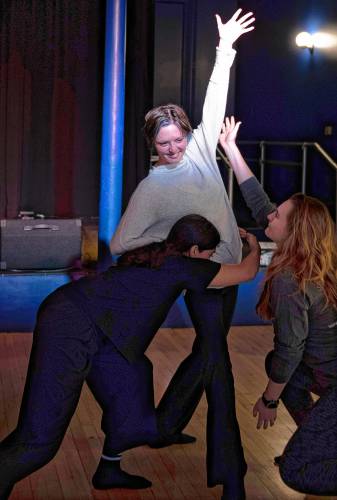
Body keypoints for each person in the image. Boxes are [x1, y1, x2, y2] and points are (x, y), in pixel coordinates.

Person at [0, 215, 260, 499]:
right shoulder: (183, 267)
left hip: (103, 335)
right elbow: (246, 273)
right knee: (38, 443)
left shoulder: (161, 253)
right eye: (210, 255)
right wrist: (253, 244)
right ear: (195, 251)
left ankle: (109, 470)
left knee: (134, 393)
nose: (210, 261)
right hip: (70, 324)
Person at [110, 8, 255, 498]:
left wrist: (225, 47)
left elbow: (215, 97)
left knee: (206, 351)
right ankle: (231, 475)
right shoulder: (152, 188)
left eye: (178, 139)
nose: (173, 149)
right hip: (204, 278)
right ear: (152, 144)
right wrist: (174, 253)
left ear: (189, 136)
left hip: (234, 266)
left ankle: (166, 423)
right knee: (220, 366)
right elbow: (121, 244)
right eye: (163, 143)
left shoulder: (199, 153)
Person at [219, 116, 337, 495]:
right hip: (327, 376)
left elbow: (290, 349)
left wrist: (269, 399)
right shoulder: (315, 259)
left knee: (295, 473)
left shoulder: (292, 279)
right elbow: (260, 204)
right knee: (277, 366)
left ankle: (321, 448)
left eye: (277, 216)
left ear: (294, 232)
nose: (269, 215)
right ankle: (324, 442)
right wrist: (231, 150)